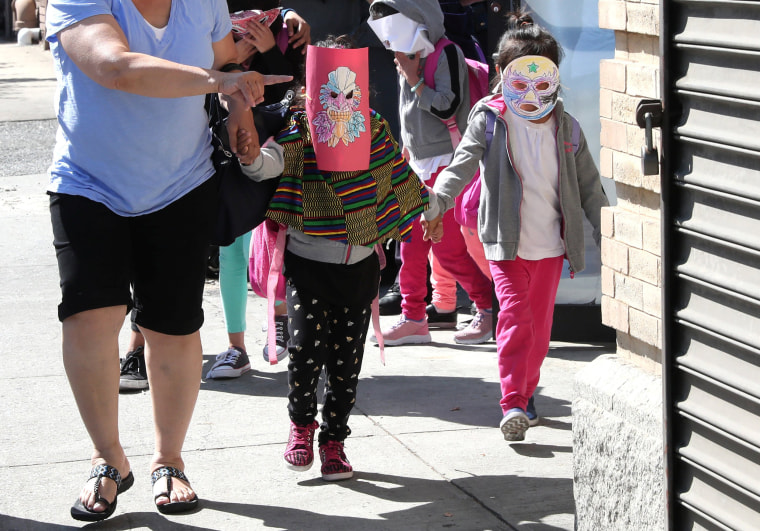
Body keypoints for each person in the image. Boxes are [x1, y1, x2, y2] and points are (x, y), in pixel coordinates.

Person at [45, 0, 290, 521]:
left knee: (173, 326)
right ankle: (108, 459)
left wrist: (240, 112)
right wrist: (221, 82)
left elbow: (227, 64)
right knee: (90, 317)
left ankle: (169, 460)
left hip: (182, 182)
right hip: (88, 182)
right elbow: (114, 67)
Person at [424, 10, 609, 442]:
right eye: (518, 78)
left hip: (549, 247)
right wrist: (437, 201)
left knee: (539, 328)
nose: (531, 89)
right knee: (512, 317)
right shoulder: (490, 119)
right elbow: (461, 164)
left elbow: (590, 189)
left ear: (555, 78)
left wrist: (607, 234)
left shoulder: (566, 127)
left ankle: (526, 396)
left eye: (541, 77)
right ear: (502, 75)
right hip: (505, 244)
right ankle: (512, 403)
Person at [260, 35, 436, 481]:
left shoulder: (373, 127)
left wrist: (433, 205)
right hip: (307, 262)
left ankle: (333, 441)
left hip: (358, 264)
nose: (339, 100)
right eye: (329, 91)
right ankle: (301, 428)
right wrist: (248, 154)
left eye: (348, 91)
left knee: (345, 361)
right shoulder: (299, 128)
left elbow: (398, 174)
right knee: (303, 351)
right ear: (311, 87)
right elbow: (266, 165)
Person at [368, 0, 494, 346]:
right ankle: (413, 318)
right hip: (416, 165)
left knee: (450, 249)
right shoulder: (408, 57)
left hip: (447, 165)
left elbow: (448, 106)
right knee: (409, 246)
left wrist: (414, 80)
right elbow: (407, 114)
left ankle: (486, 309)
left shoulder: (446, 52)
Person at [205, 0, 307, 379]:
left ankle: (278, 321)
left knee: (276, 246)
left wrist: (266, 51)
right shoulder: (203, 18)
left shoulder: (285, 23)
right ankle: (236, 346)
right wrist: (226, 66)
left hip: (274, 154)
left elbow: (294, 91)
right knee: (232, 253)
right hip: (223, 153)